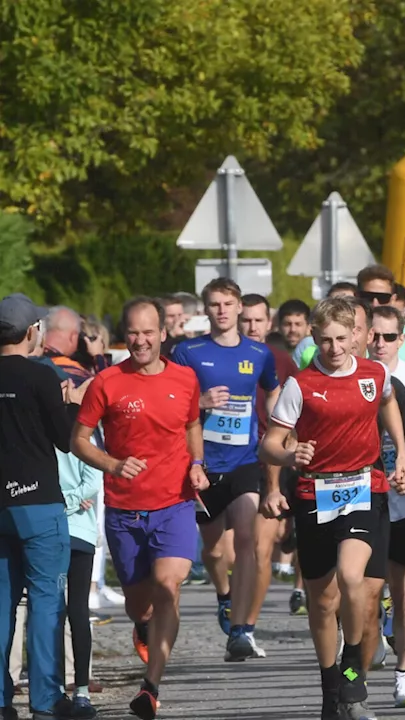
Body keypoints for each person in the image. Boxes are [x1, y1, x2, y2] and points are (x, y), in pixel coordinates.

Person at [259, 297, 405, 720]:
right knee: (322, 603)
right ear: (313, 337)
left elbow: (386, 403)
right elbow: (269, 443)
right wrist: (290, 458)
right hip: (315, 495)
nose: (334, 348)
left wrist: (400, 450)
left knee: (353, 576)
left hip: (366, 486)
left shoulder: (374, 373)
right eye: (325, 340)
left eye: (342, 338)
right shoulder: (301, 385)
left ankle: (352, 666)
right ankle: (331, 688)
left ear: (356, 336)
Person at [72, 296, 209, 720]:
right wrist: (113, 464)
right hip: (125, 510)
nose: (141, 340)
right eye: (133, 332)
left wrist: (198, 464)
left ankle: (150, 687)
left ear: (163, 334)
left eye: (149, 332)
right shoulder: (107, 382)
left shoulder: (185, 379)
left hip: (174, 504)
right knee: (140, 606)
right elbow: (79, 439)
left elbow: (191, 425)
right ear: (123, 335)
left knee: (169, 586)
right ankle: (144, 625)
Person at [170, 279, 280, 660]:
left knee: (248, 540)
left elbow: (273, 392)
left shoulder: (259, 353)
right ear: (206, 310)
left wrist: (281, 428)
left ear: (238, 307)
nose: (222, 310)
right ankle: (224, 595)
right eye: (214, 304)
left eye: (228, 304)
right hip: (202, 463)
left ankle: (241, 629)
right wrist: (199, 402)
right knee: (216, 551)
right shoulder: (188, 351)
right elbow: (174, 399)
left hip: (244, 460)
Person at [0, 294, 85, 720]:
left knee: (0, 603)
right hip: (38, 502)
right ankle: (47, 699)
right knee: (47, 602)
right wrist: (70, 403)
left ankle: (0, 700)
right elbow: (64, 439)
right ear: (33, 331)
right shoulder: (41, 377)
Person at [361, 303, 405, 708]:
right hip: (357, 500)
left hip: (403, 501)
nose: (379, 343)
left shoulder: (399, 386)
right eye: (373, 334)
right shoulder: (338, 383)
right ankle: (361, 657)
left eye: (388, 336)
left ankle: (404, 673)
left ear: (401, 341)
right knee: (364, 592)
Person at [240, 295, 303, 616]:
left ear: (269, 324)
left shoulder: (281, 362)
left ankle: (245, 627)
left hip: (270, 464)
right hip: (228, 461)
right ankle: (230, 601)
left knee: (259, 548)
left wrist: (282, 477)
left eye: (257, 320)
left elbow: (293, 426)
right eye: (245, 320)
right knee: (223, 553)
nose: (251, 326)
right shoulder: (212, 357)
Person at [59, 431, 103, 719]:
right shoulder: (81, 437)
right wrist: (73, 500)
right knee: (57, 613)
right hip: (58, 531)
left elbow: (94, 483)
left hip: (71, 532)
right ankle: (69, 692)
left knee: (74, 611)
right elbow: (88, 486)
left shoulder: (81, 437)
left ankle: (79, 690)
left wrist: (61, 501)